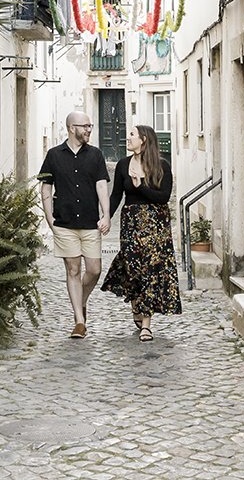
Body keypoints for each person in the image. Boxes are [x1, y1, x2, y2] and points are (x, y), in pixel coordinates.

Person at [101, 124, 182, 341]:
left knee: (150, 270)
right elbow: (116, 194)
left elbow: (163, 197)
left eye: (132, 135)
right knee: (132, 267)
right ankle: (138, 303)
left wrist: (140, 186)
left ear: (143, 139)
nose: (128, 139)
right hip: (131, 224)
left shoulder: (162, 166)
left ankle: (146, 324)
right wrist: (107, 216)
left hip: (156, 226)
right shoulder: (122, 165)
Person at [37, 110, 110, 339]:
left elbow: (101, 186)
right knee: (73, 269)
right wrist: (50, 218)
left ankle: (82, 299)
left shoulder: (96, 155)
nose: (89, 129)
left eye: (90, 125)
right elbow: (46, 188)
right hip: (65, 223)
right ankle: (79, 321)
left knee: (94, 270)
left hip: (90, 222)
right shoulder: (53, 155)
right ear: (71, 128)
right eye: (85, 126)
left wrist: (106, 214)